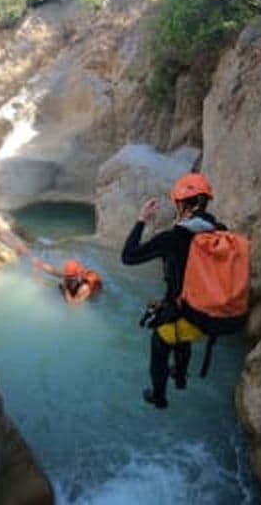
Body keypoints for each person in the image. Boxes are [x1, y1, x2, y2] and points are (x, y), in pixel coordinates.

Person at [122, 173, 241, 409]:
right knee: (177, 322)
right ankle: (180, 375)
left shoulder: (173, 238)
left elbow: (128, 256)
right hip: (211, 316)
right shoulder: (221, 232)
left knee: (160, 340)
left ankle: (158, 397)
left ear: (180, 204)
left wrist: (142, 219)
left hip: (188, 316)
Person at [33, 258, 102, 306]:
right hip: (76, 286)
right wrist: (40, 264)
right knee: (58, 284)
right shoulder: (73, 276)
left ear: (78, 276)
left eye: (70, 277)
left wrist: (65, 290)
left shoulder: (85, 288)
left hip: (91, 298)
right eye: (68, 276)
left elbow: (72, 306)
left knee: (61, 286)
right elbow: (55, 272)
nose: (68, 278)